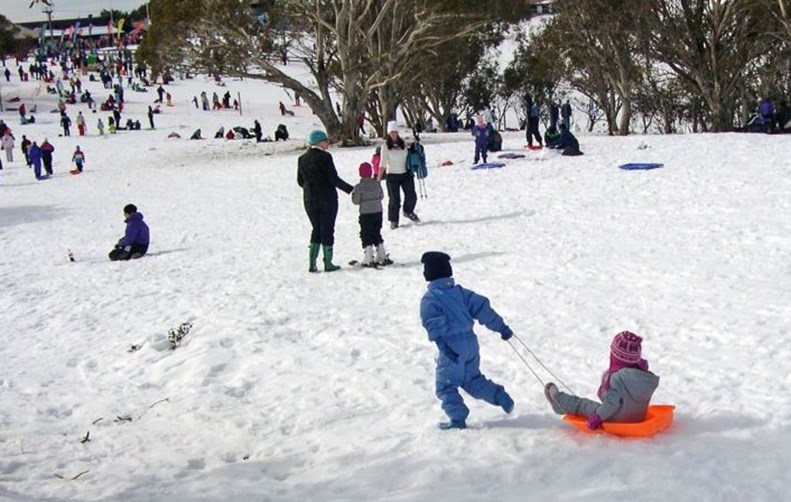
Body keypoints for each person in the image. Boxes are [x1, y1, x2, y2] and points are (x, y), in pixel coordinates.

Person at [419, 251, 515, 430]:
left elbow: (432, 323)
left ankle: (457, 419)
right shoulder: (461, 293)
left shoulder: (430, 299)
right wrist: (502, 328)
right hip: (471, 344)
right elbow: (483, 309)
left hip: (451, 346)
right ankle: (499, 396)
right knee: (471, 379)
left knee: (445, 386)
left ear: (428, 274)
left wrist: (443, 346)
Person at [544, 331, 659, 430]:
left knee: (583, 404)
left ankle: (558, 401)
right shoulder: (645, 377)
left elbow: (611, 404)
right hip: (638, 418)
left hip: (615, 420)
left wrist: (598, 417)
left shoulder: (617, 378)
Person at [297, 130, 354, 272]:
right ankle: (328, 263)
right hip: (327, 198)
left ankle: (312, 263)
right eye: (325, 140)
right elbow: (333, 178)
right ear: (319, 142)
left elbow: (300, 181)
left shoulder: (302, 159)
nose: (327, 142)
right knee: (327, 229)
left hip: (309, 199)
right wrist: (350, 189)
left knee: (316, 229)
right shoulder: (325, 157)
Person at [378, 121, 419, 229]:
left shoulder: (403, 143)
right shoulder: (385, 146)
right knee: (394, 200)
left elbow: (413, 150)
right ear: (388, 133)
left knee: (412, 196)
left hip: (405, 173)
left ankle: (408, 211)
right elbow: (382, 163)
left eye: (395, 132)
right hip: (392, 175)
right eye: (391, 132)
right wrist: (378, 177)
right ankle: (394, 220)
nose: (394, 134)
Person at [351, 162, 391, 267]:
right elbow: (381, 196)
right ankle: (381, 252)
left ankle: (368, 256)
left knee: (366, 233)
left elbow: (356, 201)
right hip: (378, 212)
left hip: (365, 214)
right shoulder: (377, 184)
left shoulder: (358, 187)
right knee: (376, 231)